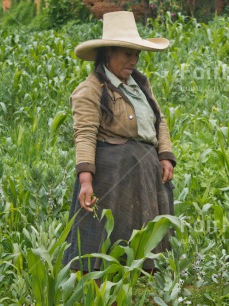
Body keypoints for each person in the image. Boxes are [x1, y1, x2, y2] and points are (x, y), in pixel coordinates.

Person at [63, 11, 176, 272]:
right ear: (107, 53)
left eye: (136, 53)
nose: (134, 59)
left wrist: (165, 155)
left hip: (146, 176)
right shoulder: (91, 90)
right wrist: (86, 181)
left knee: (147, 243)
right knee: (103, 248)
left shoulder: (140, 84)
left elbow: (159, 119)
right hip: (112, 179)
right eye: (126, 53)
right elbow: (85, 134)